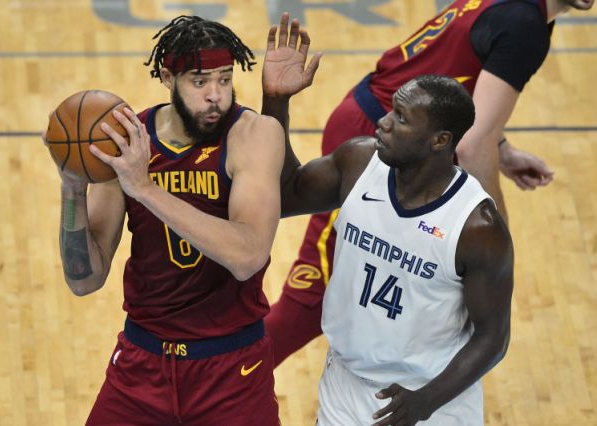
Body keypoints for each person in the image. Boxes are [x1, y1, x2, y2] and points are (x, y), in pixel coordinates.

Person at [266, 0, 595, 367]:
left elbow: (452, 81)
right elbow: (472, 145)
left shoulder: (522, 13)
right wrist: (496, 240)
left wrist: (501, 147)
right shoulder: (524, 25)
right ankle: (229, 381)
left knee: (388, 279)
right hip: (379, 139)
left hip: (394, 130)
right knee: (316, 290)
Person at [44, 15, 302, 425]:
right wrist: (72, 187)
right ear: (167, 76)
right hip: (141, 365)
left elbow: (248, 255)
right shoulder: (128, 141)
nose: (216, 95)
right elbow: (84, 280)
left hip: (231, 370)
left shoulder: (253, 134)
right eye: (200, 82)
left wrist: (144, 188)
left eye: (224, 78)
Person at [263, 25, 515, 420]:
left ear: (439, 140)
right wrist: (276, 102)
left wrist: (424, 403)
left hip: (432, 399)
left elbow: (492, 339)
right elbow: (281, 194)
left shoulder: (477, 228)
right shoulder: (359, 162)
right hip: (344, 386)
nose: (382, 122)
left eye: (400, 117)